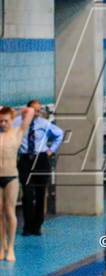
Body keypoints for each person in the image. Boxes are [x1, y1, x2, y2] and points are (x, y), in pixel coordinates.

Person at [14, 99, 64, 235]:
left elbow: (59, 134)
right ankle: (27, 226)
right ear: (27, 109)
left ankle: (37, 226)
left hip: (40, 160)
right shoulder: (17, 122)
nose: (37, 113)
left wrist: (51, 150)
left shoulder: (44, 124)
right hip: (25, 160)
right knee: (27, 195)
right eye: (34, 110)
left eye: (38, 110)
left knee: (41, 195)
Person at [0, 105, 34, 261]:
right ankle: (2, 246)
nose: (2, 124)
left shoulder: (17, 132)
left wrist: (14, 111)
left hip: (11, 178)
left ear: (11, 121)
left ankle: (11, 247)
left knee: (10, 211)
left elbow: (31, 111)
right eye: (0, 121)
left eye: (5, 121)